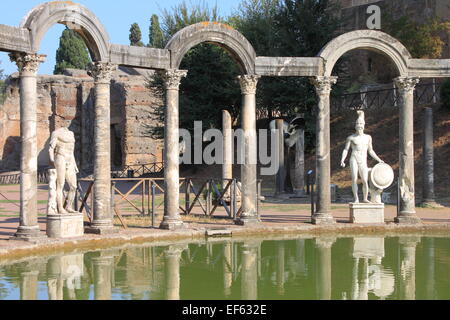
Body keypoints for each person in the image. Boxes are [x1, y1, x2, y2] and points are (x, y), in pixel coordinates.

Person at [340, 111, 384, 203]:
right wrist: (342, 160)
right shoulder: (351, 138)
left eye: (361, 124)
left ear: (364, 125)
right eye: (358, 124)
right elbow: (346, 150)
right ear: (355, 125)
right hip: (354, 158)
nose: (359, 125)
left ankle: (364, 198)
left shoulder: (368, 137)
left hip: (363, 160)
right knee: (354, 178)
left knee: (364, 179)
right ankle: (356, 198)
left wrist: (379, 160)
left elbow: (371, 150)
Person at [49, 127, 79, 214]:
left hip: (70, 159)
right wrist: (52, 160)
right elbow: (51, 148)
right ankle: (60, 208)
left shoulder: (71, 133)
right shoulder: (56, 133)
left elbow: (72, 151)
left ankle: (69, 206)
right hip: (60, 157)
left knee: (73, 186)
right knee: (60, 185)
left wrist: (74, 164)